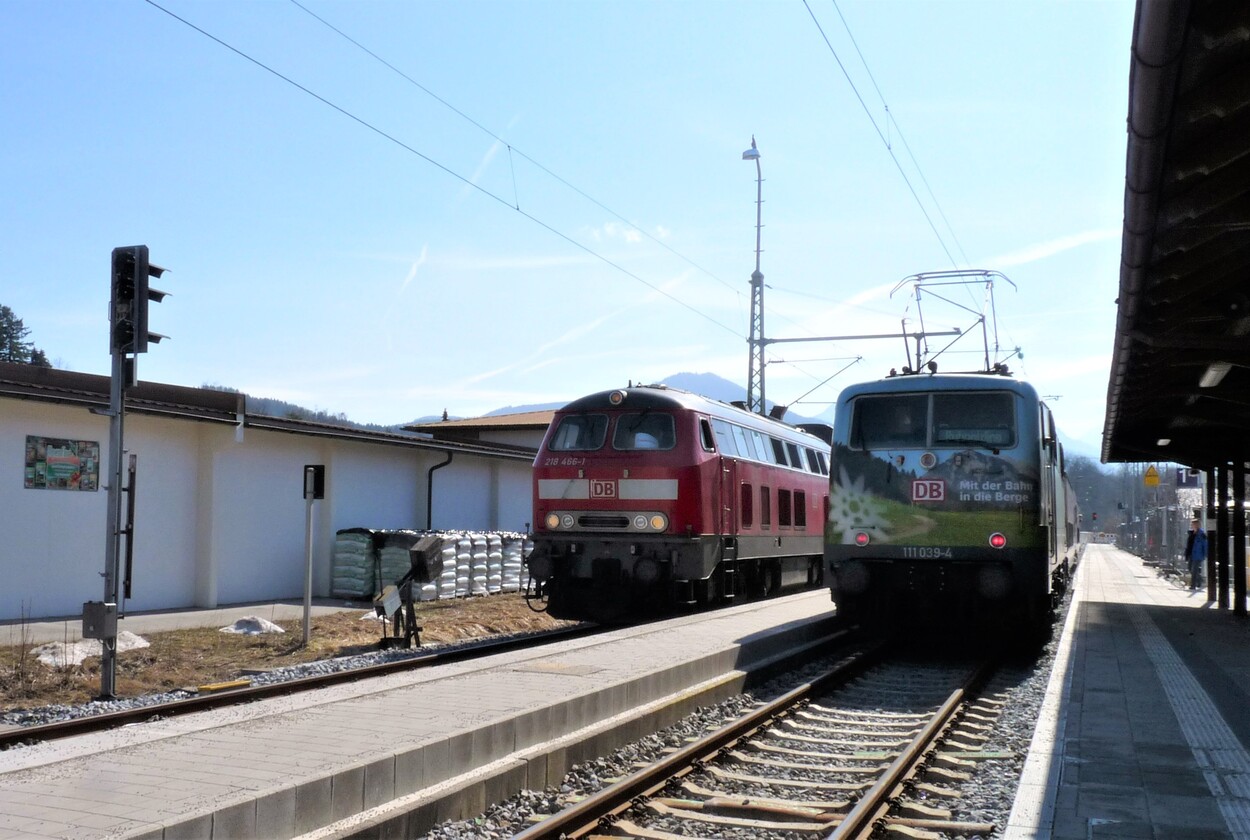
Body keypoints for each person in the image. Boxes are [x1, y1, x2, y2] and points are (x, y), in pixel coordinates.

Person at [1184, 518, 1208, 591]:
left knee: (1194, 569)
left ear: (1197, 525)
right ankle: (1199, 580)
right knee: (1190, 568)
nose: (1192, 525)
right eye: (1192, 524)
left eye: (1193, 524)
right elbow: (1189, 544)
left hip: (1198, 554)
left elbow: (1205, 545)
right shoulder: (1191, 533)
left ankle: (1193, 585)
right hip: (1191, 553)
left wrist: (1205, 554)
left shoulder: (1202, 534)